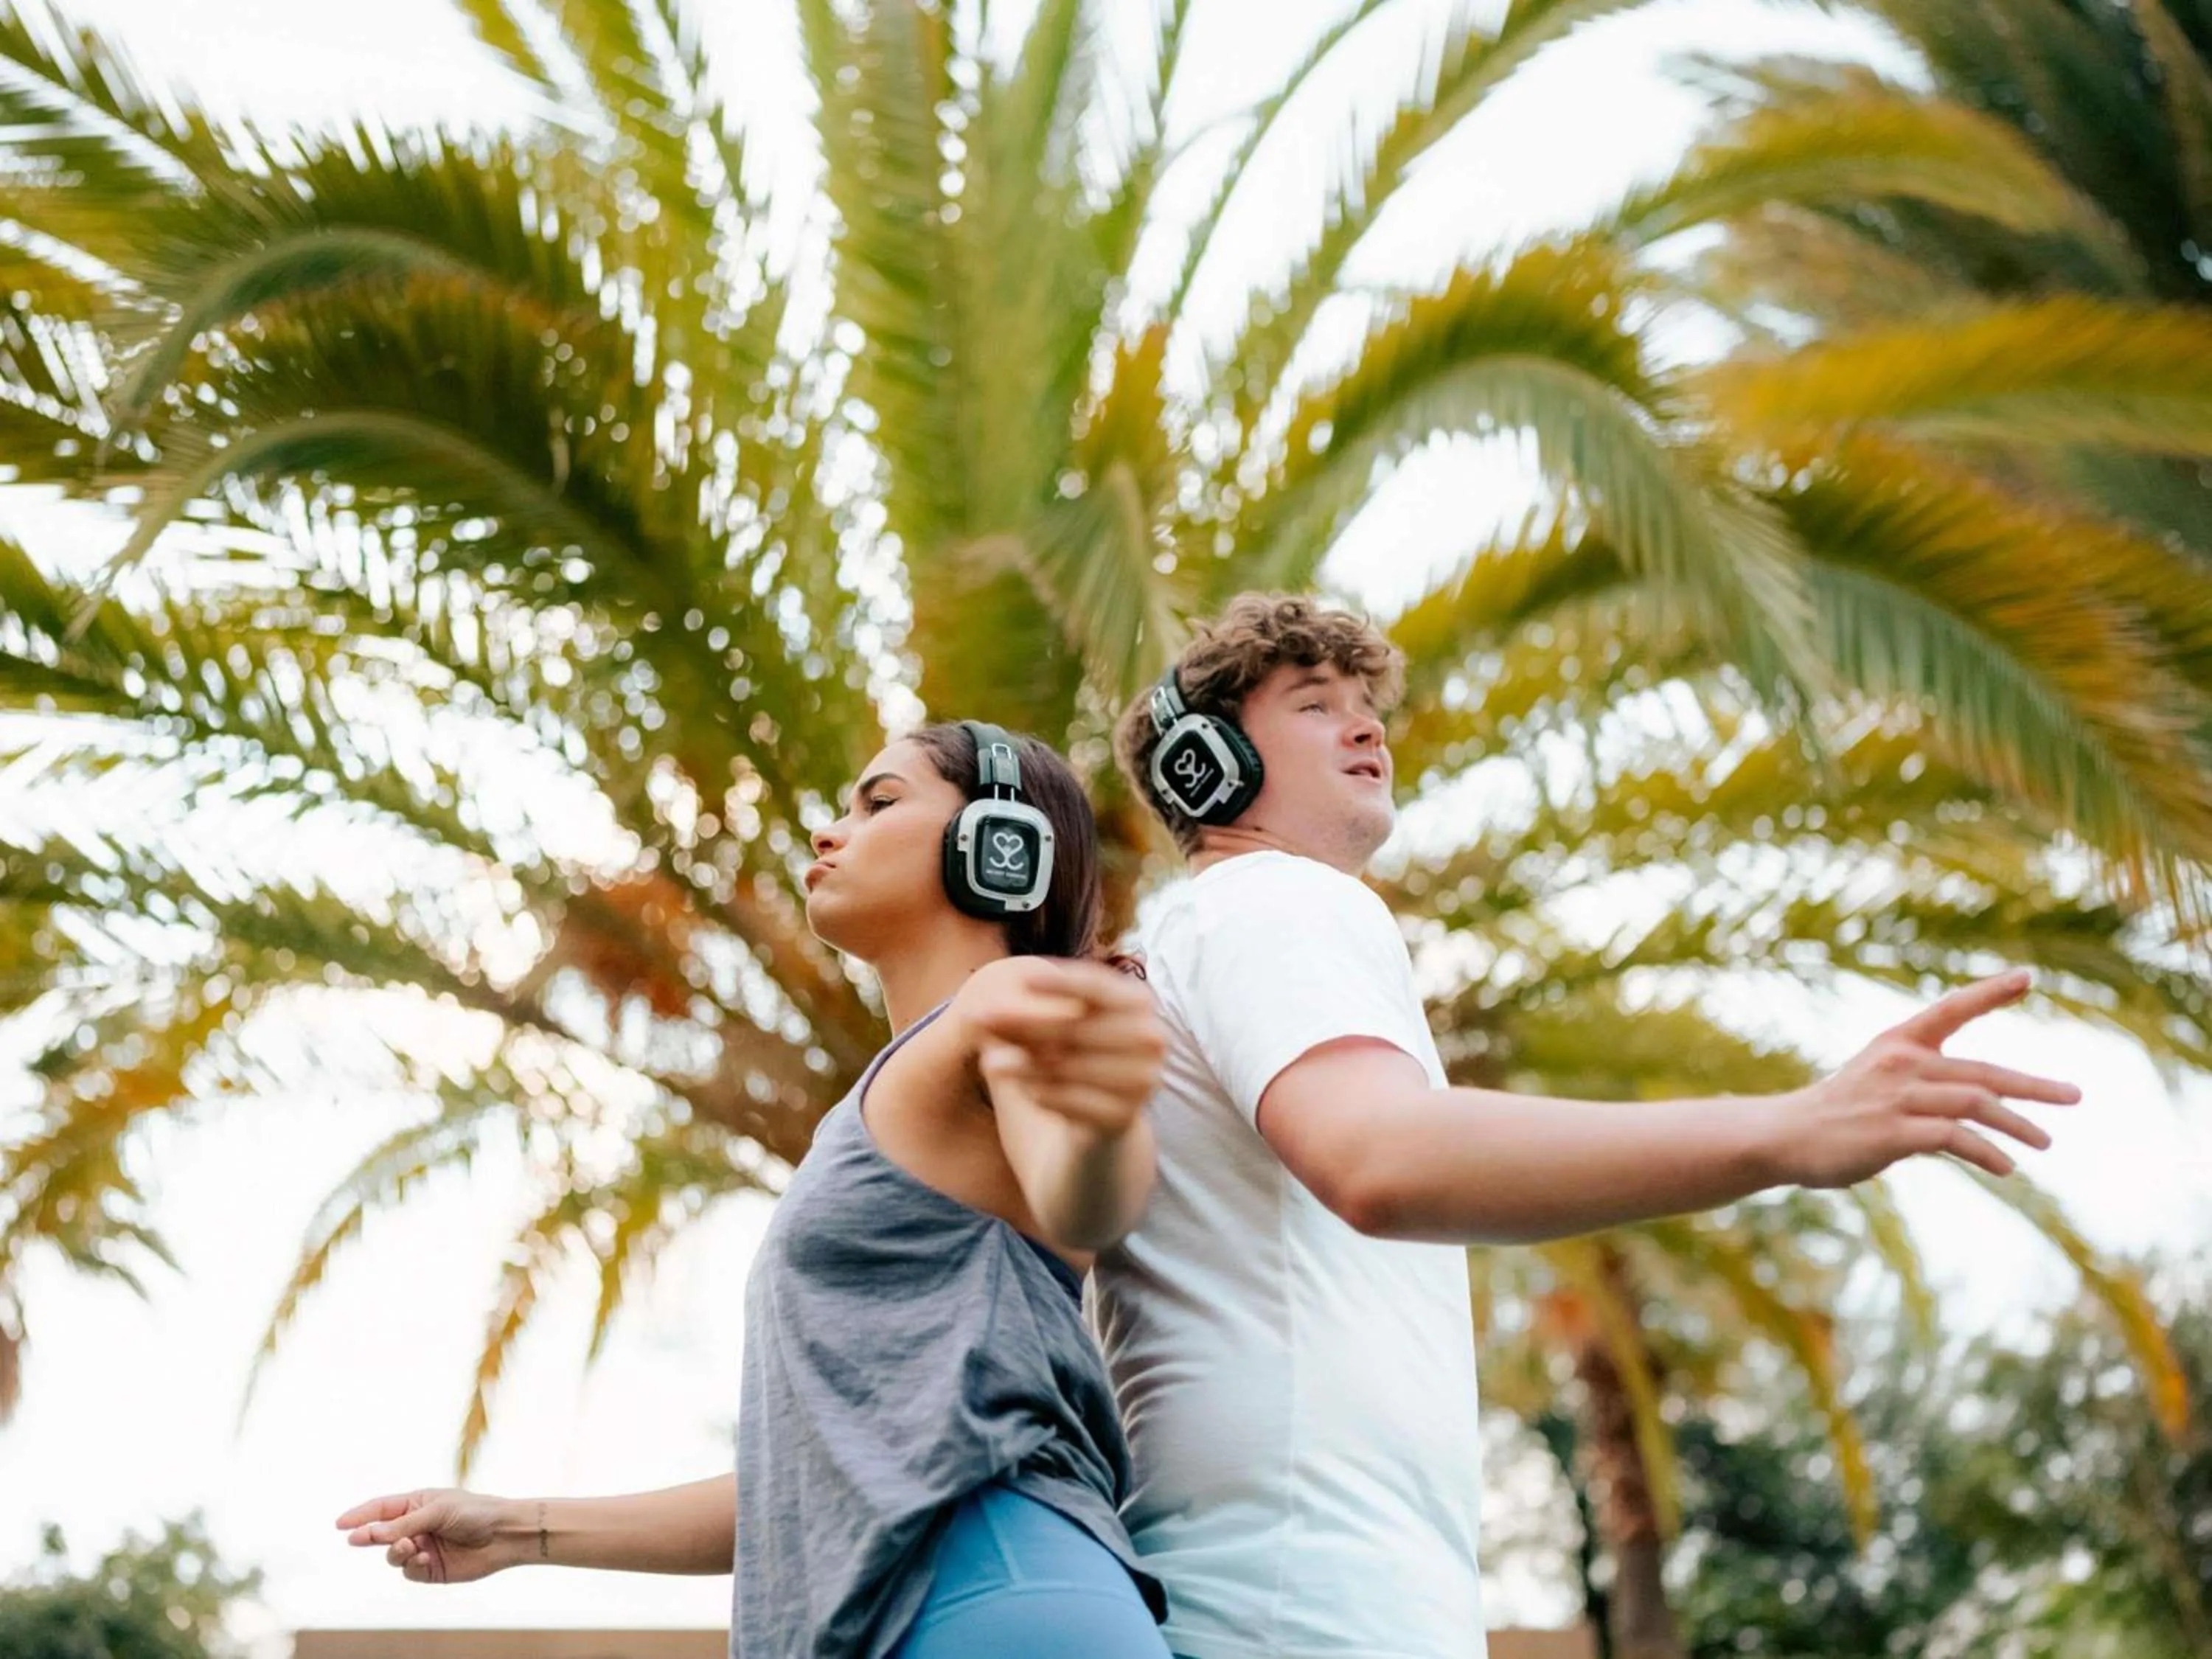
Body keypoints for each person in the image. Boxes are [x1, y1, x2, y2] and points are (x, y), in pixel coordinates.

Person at [1093, 592, 2081, 1659]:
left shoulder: (1216, 932)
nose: (1368, 727)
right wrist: (1790, 1131)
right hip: (1300, 1599)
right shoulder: (1270, 899)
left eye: (1366, 703)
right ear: (1205, 763)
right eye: (1315, 703)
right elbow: (1377, 1157)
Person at [337, 720, 1175, 1659]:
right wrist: (519, 1529)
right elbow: (818, 1479)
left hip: (988, 1596)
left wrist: (1101, 1123)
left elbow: (1086, 1199)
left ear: (1001, 844)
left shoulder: (1006, 1003)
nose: (828, 830)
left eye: (880, 802)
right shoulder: (896, 1088)